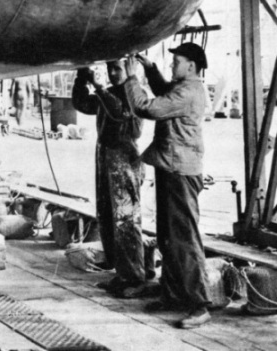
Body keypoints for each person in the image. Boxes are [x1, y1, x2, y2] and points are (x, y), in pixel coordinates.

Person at [124, 44, 211, 329]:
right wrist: (150, 69)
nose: (172, 65)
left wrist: (131, 78)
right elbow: (164, 91)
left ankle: (199, 304)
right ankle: (173, 295)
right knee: (167, 236)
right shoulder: (183, 87)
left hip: (181, 172)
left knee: (184, 238)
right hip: (170, 166)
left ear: (191, 66)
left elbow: (147, 107)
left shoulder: (188, 92)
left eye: (176, 62)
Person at [71, 63, 145, 297]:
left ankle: (133, 276)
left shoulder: (133, 92)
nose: (113, 73)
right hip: (105, 154)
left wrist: (97, 85)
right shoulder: (111, 92)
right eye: (111, 68)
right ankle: (119, 271)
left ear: (129, 69)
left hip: (123, 157)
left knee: (125, 218)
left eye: (118, 69)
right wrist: (80, 80)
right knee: (106, 214)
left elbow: (119, 112)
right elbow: (83, 104)